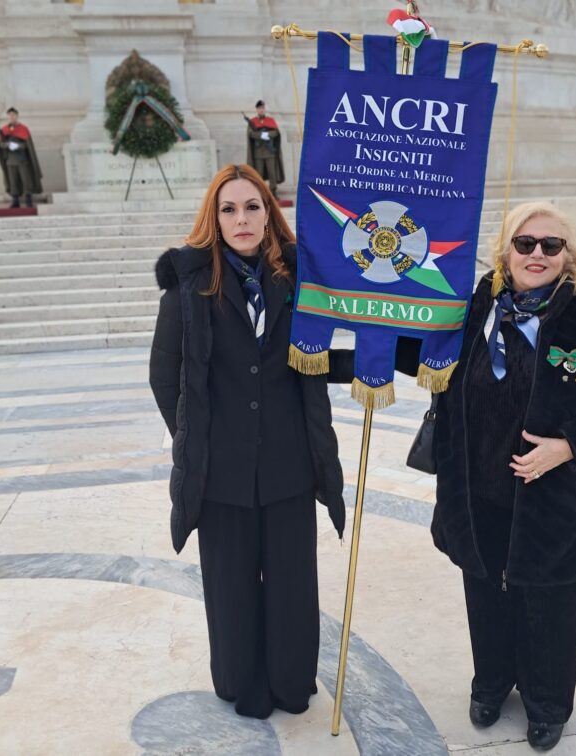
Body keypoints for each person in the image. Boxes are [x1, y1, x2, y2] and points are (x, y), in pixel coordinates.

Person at [430, 202, 576, 750]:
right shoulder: (471, 307)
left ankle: (548, 699)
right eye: (525, 243)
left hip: (557, 496)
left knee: (551, 600)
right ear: (506, 250)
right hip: (477, 486)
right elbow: (424, 356)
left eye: (551, 245)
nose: (537, 254)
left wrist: (571, 446)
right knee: (484, 587)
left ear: (568, 255)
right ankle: (492, 681)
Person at [149, 164, 350, 720]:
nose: (242, 219)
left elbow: (315, 359)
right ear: (213, 218)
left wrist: (376, 364)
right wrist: (197, 437)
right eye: (229, 209)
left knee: (291, 582)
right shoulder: (190, 286)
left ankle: (290, 680)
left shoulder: (299, 278)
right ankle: (239, 679)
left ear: (269, 213)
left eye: (252, 207)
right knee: (231, 584)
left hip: (288, 461)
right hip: (222, 471)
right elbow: (165, 374)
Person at [0, 107, 43, 208]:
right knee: (13, 181)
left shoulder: (23, 129)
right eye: (9, 115)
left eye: (13, 115)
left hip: (22, 160)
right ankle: (15, 201)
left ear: (17, 116)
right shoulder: (4, 129)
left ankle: (28, 199)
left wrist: (18, 146)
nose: (11, 117)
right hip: (10, 160)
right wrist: (7, 145)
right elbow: (0, 144)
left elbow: (27, 145)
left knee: (26, 180)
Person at [246, 100, 284, 198]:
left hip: (270, 153)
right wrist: (261, 135)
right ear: (257, 110)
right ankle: (260, 193)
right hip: (258, 154)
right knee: (259, 174)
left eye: (263, 108)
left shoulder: (270, 120)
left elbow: (276, 133)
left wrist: (268, 134)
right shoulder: (252, 121)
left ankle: (273, 192)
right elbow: (250, 133)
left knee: (272, 173)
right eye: (259, 108)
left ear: (264, 109)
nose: (261, 110)